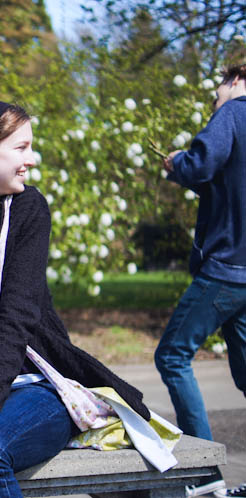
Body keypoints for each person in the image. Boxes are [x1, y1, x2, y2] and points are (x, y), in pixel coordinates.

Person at [0, 96, 151, 497]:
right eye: (21, 147)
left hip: (34, 384)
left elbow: (17, 320)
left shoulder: (29, 209)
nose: (31, 160)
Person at [155, 64, 246, 498]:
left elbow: (201, 164)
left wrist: (177, 163)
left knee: (172, 356)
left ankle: (205, 473)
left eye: (217, 91)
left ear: (235, 81)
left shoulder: (233, 112)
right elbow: (226, 185)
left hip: (227, 271)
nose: (215, 100)